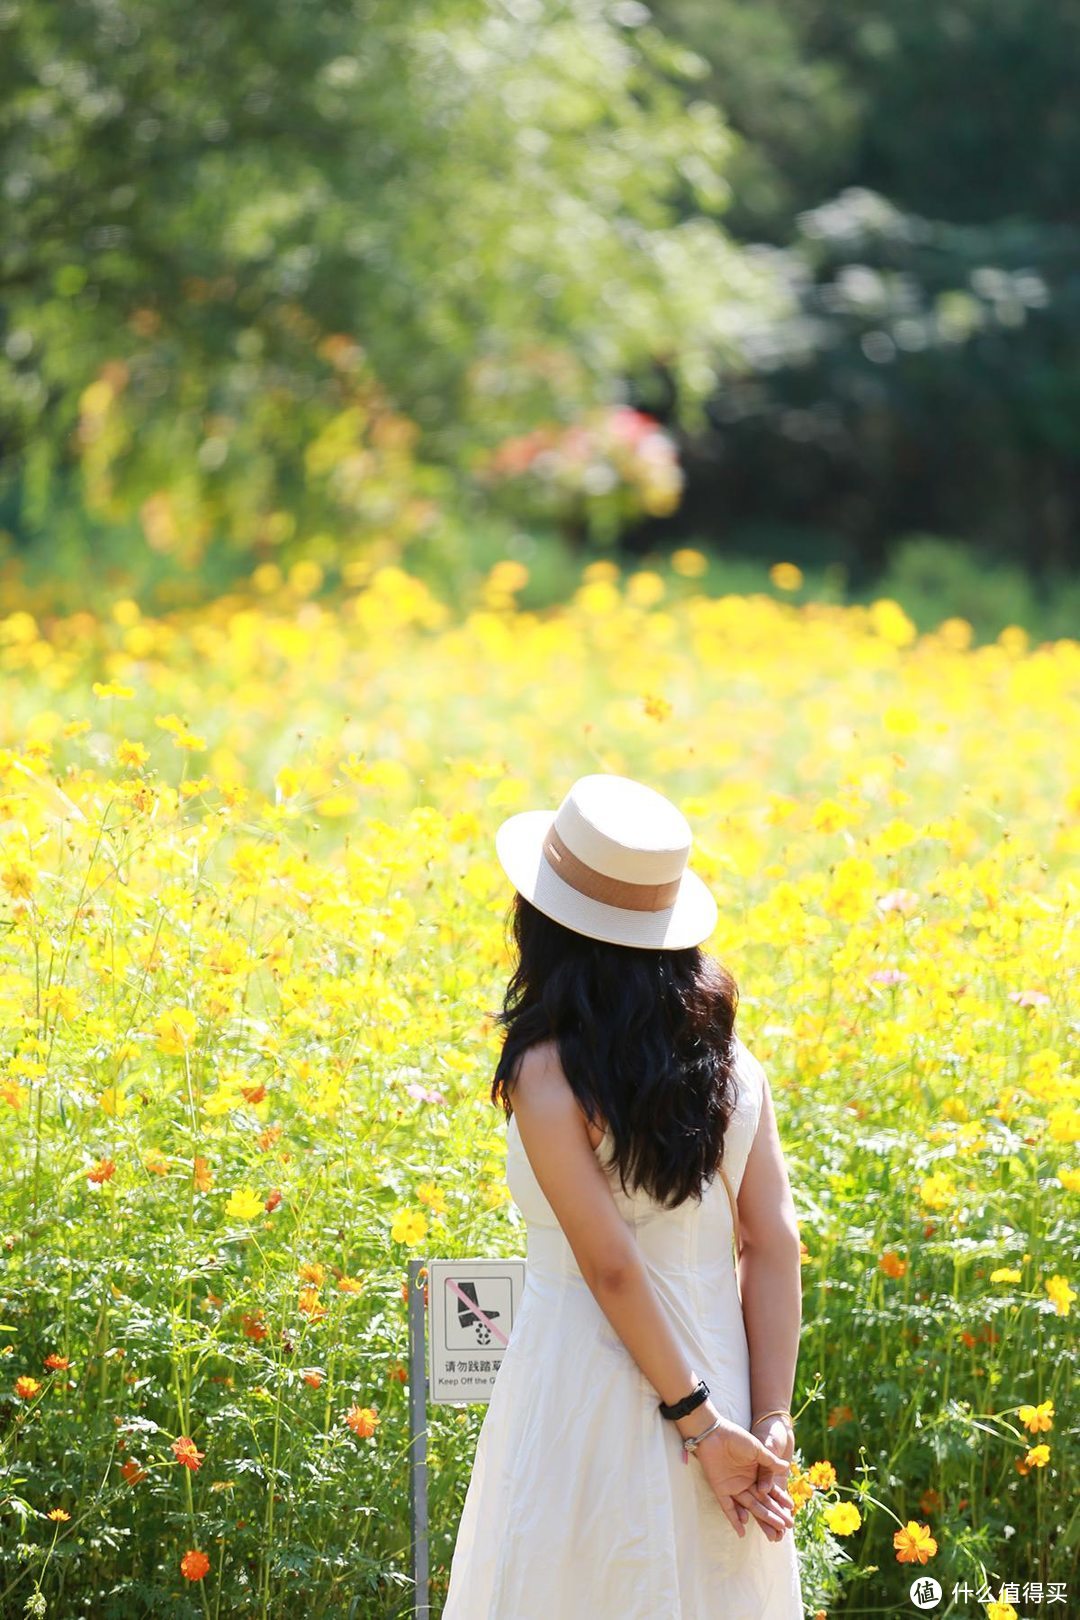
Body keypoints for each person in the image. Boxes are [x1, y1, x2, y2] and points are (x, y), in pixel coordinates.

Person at [440, 773, 805, 1619]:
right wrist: (768, 1418)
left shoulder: (545, 1070)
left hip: (585, 1385)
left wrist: (701, 1427)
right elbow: (774, 1241)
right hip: (722, 1374)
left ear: (544, 925)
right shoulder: (733, 1065)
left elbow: (609, 1268)